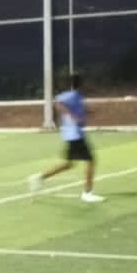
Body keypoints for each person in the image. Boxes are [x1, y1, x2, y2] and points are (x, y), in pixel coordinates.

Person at [28, 73, 105, 202]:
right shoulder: (72, 95)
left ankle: (39, 177)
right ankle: (87, 193)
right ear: (80, 84)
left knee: (69, 164)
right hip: (75, 134)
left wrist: (89, 111)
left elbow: (75, 109)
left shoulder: (78, 96)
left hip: (73, 135)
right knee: (91, 161)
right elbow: (58, 103)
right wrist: (72, 117)